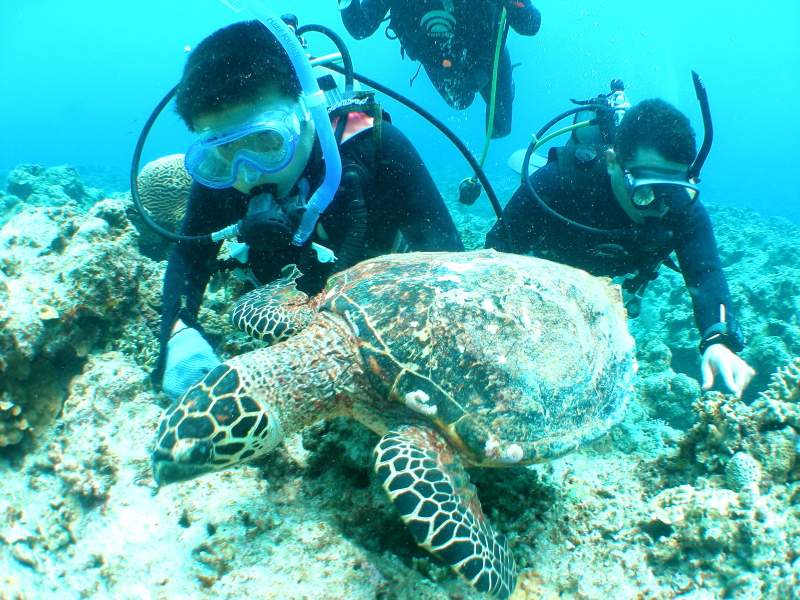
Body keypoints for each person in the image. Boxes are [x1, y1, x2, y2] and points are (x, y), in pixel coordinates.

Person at [153, 20, 464, 398]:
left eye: (267, 140)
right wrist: (178, 334)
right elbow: (190, 251)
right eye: (225, 150)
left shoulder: (376, 150)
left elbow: (452, 263)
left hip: (380, 315)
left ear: (306, 108)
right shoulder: (220, 175)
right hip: (279, 311)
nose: (248, 172)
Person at [485, 98, 755, 398]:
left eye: (674, 190)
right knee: (532, 183)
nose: (660, 205)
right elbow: (496, 252)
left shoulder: (684, 209)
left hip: (606, 264)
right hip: (553, 251)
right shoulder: (557, 183)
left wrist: (717, 338)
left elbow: (706, 272)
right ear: (613, 162)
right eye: (645, 190)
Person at [339, 0, 541, 139]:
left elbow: (531, 25)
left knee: (500, 128)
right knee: (460, 103)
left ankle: (505, 79)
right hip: (439, 62)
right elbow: (360, 28)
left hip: (487, 56)